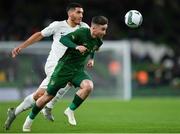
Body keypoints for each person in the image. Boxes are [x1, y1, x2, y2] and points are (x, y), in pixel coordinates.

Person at [4, 2, 89, 130]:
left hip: (69, 66)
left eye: (82, 12)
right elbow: (39, 35)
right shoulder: (58, 25)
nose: (81, 15)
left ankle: (15, 112)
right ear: (70, 13)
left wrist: (90, 57)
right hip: (54, 65)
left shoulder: (84, 28)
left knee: (39, 95)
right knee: (67, 82)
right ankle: (49, 107)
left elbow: (92, 42)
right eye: (78, 12)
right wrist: (21, 46)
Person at [22, 15, 108, 132]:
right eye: (103, 29)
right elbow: (64, 39)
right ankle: (29, 120)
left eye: (105, 29)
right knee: (47, 97)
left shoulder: (98, 41)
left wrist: (91, 59)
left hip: (77, 71)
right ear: (94, 28)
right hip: (63, 70)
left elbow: (93, 48)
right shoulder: (81, 32)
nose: (105, 32)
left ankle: (70, 110)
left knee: (88, 86)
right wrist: (76, 46)